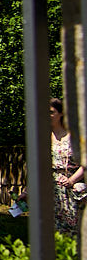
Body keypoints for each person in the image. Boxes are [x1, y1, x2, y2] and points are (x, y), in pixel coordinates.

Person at [51, 97, 84, 233]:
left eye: (51, 112)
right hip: (52, 192)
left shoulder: (74, 137)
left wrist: (71, 180)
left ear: (61, 113)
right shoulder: (42, 137)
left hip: (74, 191)